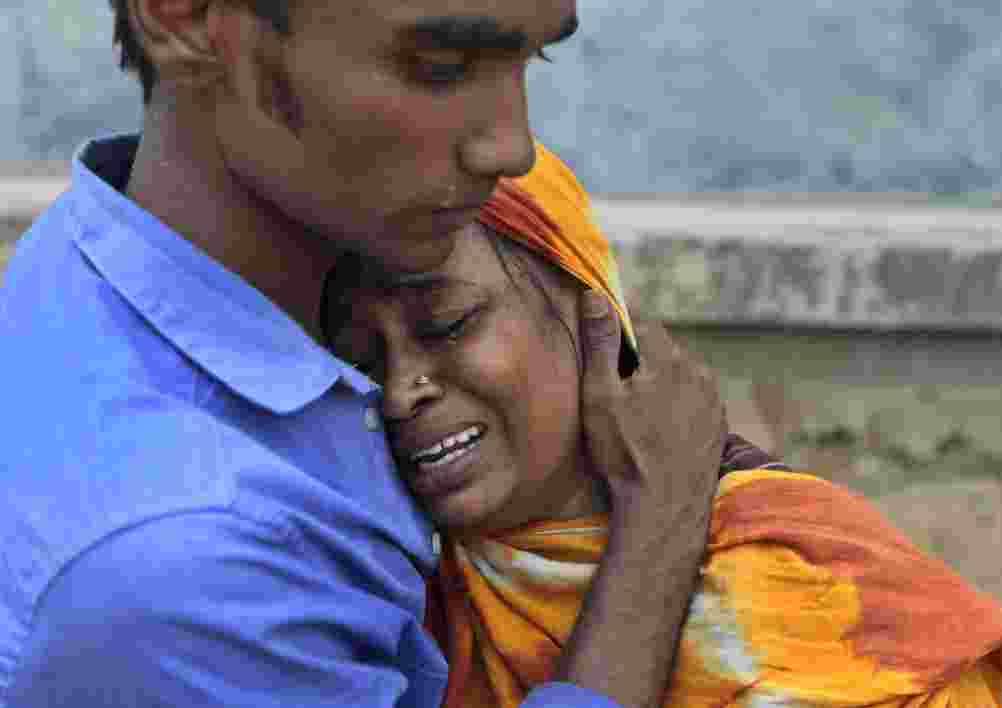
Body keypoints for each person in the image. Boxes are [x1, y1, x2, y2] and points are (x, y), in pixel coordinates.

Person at [0, 2, 730, 707]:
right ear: (185, 15)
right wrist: (655, 534)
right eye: (441, 65)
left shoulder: (106, 246)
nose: (514, 147)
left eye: (532, 55)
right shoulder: (180, 572)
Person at [323, 141, 1002, 707]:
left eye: (447, 323)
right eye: (358, 359)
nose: (397, 392)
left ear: (589, 312)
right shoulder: (382, 601)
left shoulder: (802, 584)